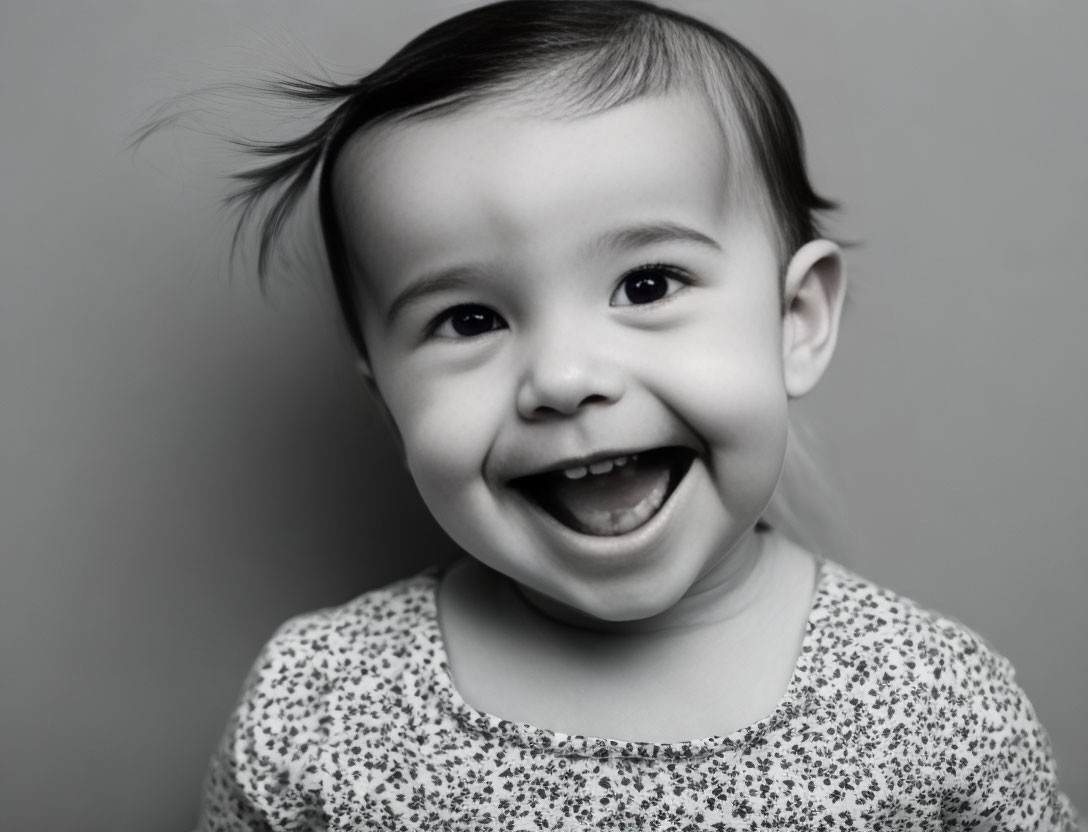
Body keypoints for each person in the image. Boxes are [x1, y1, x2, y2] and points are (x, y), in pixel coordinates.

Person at [189, 2, 1080, 829]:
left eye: (647, 285)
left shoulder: (931, 709)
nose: (566, 378)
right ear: (387, 396)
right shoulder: (318, 711)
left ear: (795, 321)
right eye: (470, 320)